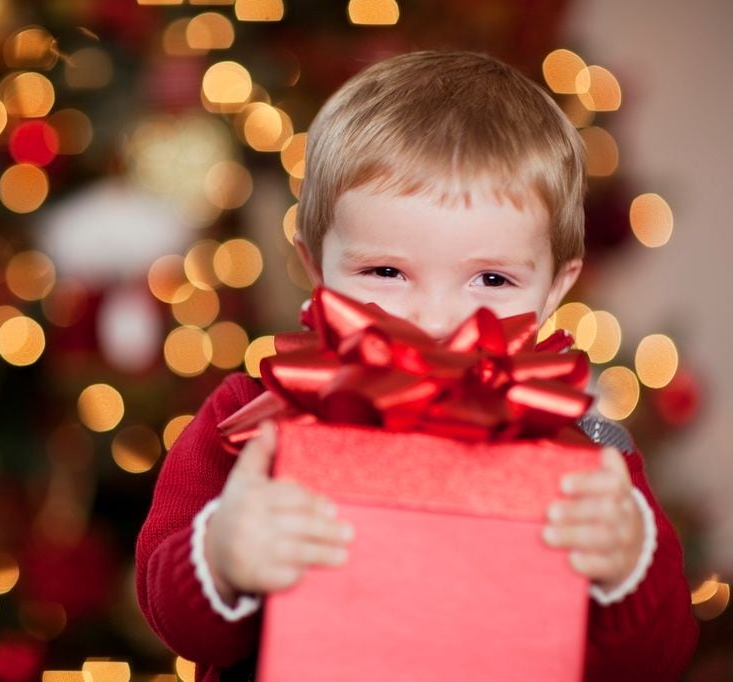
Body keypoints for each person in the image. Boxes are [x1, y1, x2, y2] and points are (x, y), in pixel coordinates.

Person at [135, 51, 698, 681]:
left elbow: (660, 660)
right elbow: (168, 612)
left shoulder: (588, 451)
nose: (435, 318)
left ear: (555, 288)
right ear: (316, 266)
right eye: (386, 272)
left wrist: (624, 568)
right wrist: (220, 557)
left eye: (491, 278)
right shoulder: (251, 415)